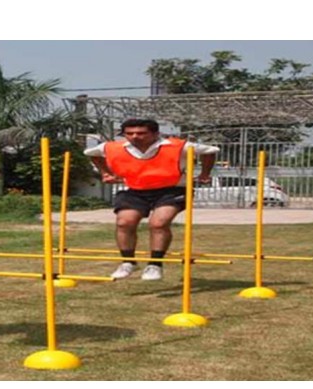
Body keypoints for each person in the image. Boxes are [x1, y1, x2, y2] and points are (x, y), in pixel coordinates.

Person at [84, 118, 218, 281]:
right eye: (129, 133)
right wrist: (105, 172)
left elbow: (210, 150)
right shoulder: (113, 147)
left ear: (155, 134)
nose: (135, 136)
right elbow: (91, 154)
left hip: (172, 189)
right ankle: (128, 262)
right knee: (124, 222)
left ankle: (155, 264)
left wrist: (205, 173)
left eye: (141, 133)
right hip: (136, 190)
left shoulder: (177, 146)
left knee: (158, 223)